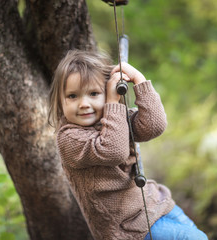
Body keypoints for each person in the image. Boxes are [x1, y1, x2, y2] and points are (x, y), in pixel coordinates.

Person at [48, 50, 208, 240]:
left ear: (107, 91)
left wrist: (139, 80)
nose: (83, 103)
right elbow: (113, 151)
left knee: (196, 233)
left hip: (155, 202)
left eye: (93, 93)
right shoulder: (69, 138)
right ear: (59, 101)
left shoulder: (113, 117)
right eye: (73, 96)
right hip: (128, 227)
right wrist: (113, 103)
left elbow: (153, 126)